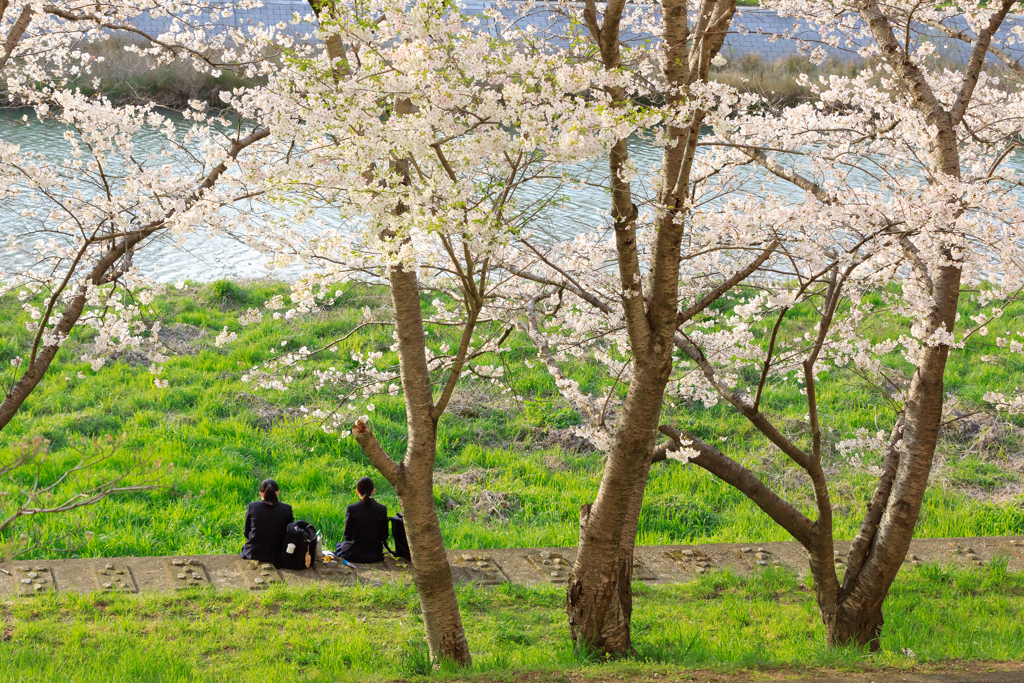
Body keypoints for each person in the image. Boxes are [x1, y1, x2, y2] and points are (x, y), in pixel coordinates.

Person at [336, 476, 389, 563]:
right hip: (375, 554)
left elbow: (347, 535)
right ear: (373, 491)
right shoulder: (382, 509)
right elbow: (384, 536)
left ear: (357, 491)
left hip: (354, 553)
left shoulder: (351, 508)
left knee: (339, 545)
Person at [241, 479, 294, 564]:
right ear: (277, 492)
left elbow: (246, 532)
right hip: (278, 554)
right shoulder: (286, 509)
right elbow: (290, 533)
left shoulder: (252, 506)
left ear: (261, 494)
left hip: (254, 553)